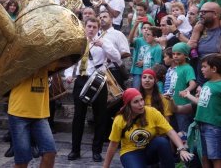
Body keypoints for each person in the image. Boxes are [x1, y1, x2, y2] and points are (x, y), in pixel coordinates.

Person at [67, 17, 120, 162]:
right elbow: (72, 61)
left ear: (98, 29)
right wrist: (68, 75)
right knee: (78, 117)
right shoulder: (79, 42)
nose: (91, 29)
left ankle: (96, 151)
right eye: (89, 26)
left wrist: (103, 45)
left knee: (100, 116)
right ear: (85, 27)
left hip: (98, 80)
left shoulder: (104, 41)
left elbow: (117, 57)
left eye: (94, 27)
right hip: (81, 79)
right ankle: (75, 150)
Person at [103, 88, 194, 168]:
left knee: (162, 142)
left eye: (141, 100)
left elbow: (170, 131)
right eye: (136, 102)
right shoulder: (120, 119)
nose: (141, 104)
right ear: (128, 105)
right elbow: (113, 145)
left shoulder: (151, 112)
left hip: (149, 150)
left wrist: (182, 149)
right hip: (130, 152)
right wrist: (105, 166)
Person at [181, 53, 221, 168]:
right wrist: (188, 95)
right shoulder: (207, 84)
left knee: (215, 157)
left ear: (214, 69)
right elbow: (201, 102)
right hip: (201, 125)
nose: (201, 69)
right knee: (203, 156)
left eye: (204, 67)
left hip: (214, 127)